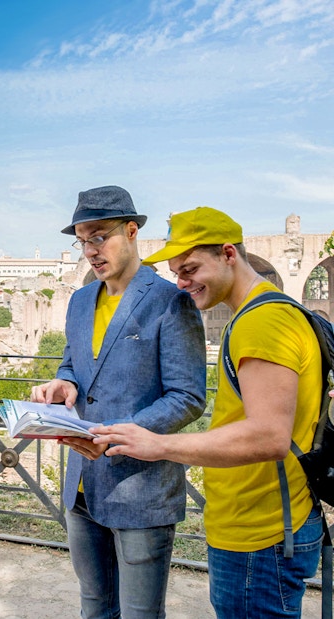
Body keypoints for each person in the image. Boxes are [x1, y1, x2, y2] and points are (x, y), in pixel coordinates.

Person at [91, 206, 324, 619]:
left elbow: (267, 436)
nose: (182, 283)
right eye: (177, 272)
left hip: (260, 531)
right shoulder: (263, 313)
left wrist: (158, 443)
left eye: (192, 268)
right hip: (260, 525)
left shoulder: (262, 323)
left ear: (229, 254)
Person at [31, 186, 206, 619]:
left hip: (141, 486)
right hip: (81, 484)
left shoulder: (172, 301)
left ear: (131, 232)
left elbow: (188, 397)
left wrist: (117, 435)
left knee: (139, 613)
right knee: (94, 606)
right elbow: (73, 366)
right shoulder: (78, 301)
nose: (90, 249)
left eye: (99, 236)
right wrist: (63, 384)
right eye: (81, 239)